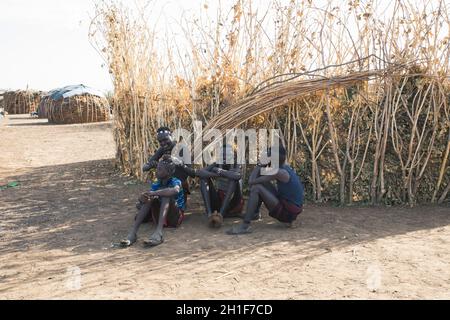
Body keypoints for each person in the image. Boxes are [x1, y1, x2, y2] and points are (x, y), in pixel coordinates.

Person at [227, 144, 304, 235]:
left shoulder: (278, 172)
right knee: (260, 182)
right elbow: (259, 176)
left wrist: (260, 164)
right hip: (288, 207)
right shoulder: (283, 168)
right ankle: (255, 213)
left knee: (256, 188)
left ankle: (245, 226)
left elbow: (251, 181)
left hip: (287, 213)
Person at [121, 156, 185, 247]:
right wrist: (143, 198)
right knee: (150, 198)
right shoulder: (157, 183)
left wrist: (154, 193)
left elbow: (175, 190)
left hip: (174, 218)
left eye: (160, 169)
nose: (156, 171)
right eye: (157, 168)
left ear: (169, 172)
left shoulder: (175, 181)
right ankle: (133, 233)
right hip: (160, 216)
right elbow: (147, 198)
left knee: (166, 195)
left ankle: (159, 232)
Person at [197, 144, 244, 228]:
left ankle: (221, 215)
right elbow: (200, 172)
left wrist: (220, 171)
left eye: (228, 155)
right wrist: (216, 174)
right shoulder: (217, 164)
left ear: (234, 156)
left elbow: (237, 176)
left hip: (233, 203)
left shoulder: (237, 164)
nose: (225, 158)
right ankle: (209, 214)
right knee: (203, 179)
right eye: (222, 155)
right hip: (219, 202)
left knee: (233, 179)